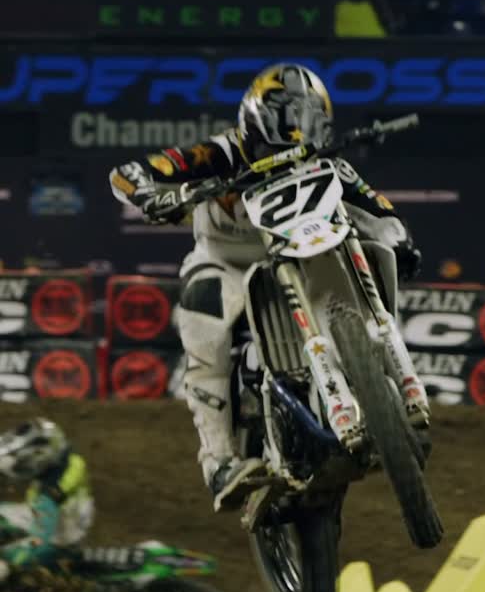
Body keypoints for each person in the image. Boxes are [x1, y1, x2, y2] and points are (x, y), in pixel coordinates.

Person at [109, 63, 422, 511]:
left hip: (304, 253)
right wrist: (155, 193)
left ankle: (380, 384)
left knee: (372, 247)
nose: (295, 135)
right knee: (203, 316)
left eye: (307, 121)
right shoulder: (221, 152)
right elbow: (130, 173)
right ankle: (219, 461)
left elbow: (373, 205)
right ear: (255, 120)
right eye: (287, 121)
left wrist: (399, 236)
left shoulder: (326, 161)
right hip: (227, 261)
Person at [0, 419, 94, 579]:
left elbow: (42, 535)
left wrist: (11, 564)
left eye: (22, 465)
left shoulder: (53, 487)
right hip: (59, 525)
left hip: (56, 541)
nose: (18, 471)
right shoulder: (64, 460)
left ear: (39, 457)